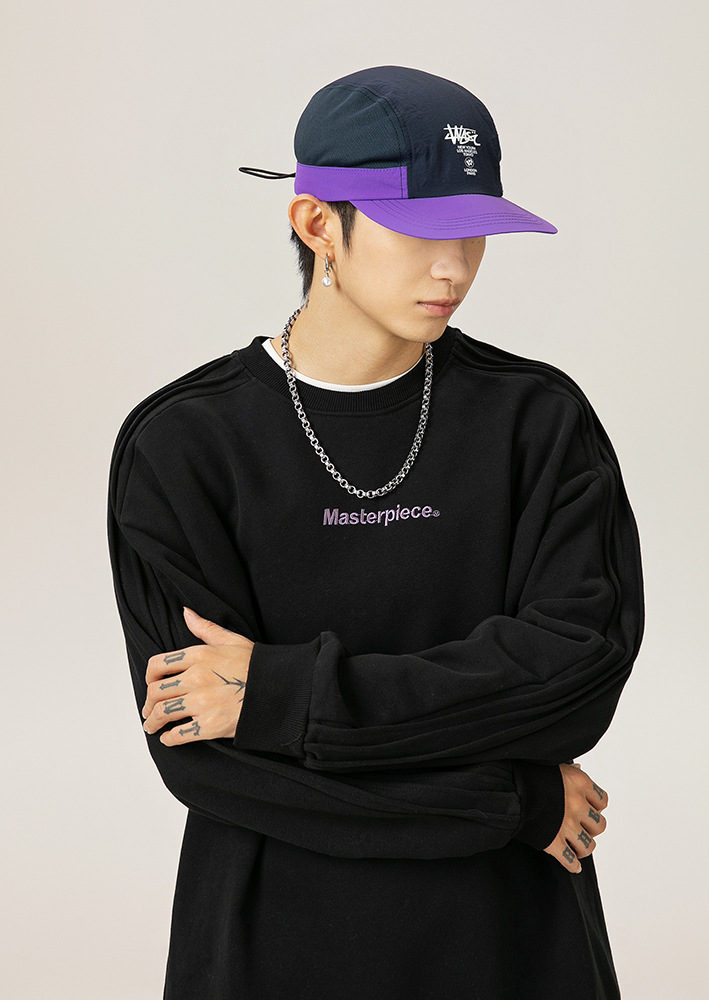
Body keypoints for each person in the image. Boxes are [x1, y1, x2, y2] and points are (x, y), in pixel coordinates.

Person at [107, 65, 644, 1000]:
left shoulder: (537, 420)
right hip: (272, 946)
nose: (455, 266)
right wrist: (514, 799)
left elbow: (575, 685)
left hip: (512, 945)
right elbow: (209, 759)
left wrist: (283, 697)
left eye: (474, 229)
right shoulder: (186, 444)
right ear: (318, 223)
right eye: (423, 229)